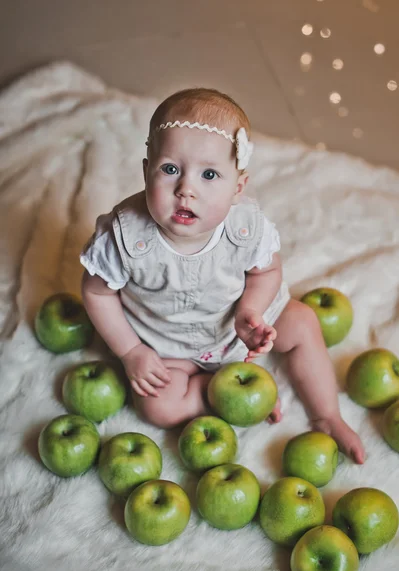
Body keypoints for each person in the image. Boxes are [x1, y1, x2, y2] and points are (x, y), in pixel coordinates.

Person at [80, 88, 365, 464]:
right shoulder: (125, 235)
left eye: (210, 174)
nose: (186, 189)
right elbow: (97, 293)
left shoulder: (246, 228)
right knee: (157, 406)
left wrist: (251, 311)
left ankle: (326, 415)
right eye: (169, 170)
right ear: (146, 169)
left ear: (238, 187)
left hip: (236, 332)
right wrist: (131, 351)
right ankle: (228, 395)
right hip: (167, 344)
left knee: (303, 321)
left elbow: (268, 271)